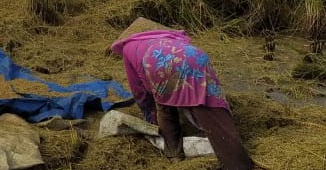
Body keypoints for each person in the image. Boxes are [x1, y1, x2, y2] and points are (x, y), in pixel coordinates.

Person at [109, 18, 255, 169]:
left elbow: (139, 90)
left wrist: (150, 117)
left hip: (160, 64)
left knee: (165, 109)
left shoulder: (128, 47)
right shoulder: (169, 37)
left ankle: (175, 155)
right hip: (197, 57)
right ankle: (237, 161)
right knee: (210, 105)